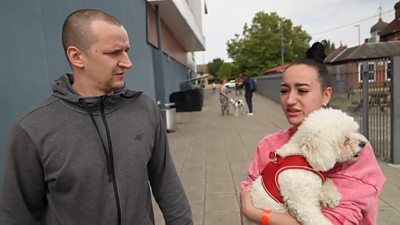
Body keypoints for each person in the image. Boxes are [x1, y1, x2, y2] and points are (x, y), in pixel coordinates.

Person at [0, 9, 192, 225]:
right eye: (114, 53)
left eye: (126, 51)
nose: (127, 62)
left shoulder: (144, 109)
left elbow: (167, 183)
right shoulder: (33, 127)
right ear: (77, 56)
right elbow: (17, 215)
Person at [240, 42, 385, 225]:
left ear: (326, 95)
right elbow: (250, 190)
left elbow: (341, 219)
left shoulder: (355, 148)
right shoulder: (268, 145)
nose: (290, 100)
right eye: (284, 90)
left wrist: (256, 214)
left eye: (302, 90)